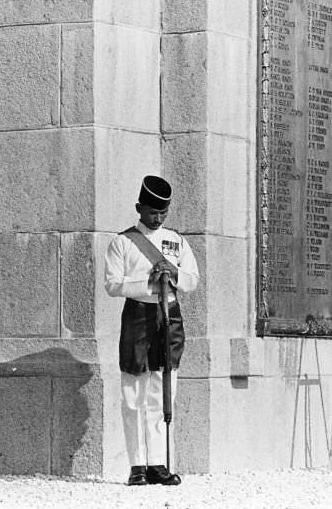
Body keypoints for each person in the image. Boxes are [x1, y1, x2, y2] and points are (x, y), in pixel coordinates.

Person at [104, 175, 199, 487]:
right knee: (133, 390)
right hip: (138, 313)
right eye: (152, 212)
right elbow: (113, 284)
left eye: (163, 213)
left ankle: (159, 462)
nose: (157, 218)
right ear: (139, 208)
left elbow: (192, 280)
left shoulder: (176, 241)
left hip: (168, 314)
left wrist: (172, 272)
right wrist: (148, 280)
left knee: (163, 386)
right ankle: (137, 465)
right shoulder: (122, 242)